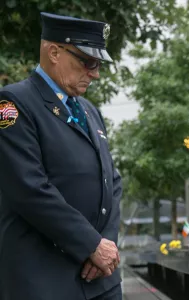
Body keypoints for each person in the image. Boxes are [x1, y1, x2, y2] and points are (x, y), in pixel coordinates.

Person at [0, 12, 123, 300]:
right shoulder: (13, 104)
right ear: (54, 52)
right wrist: (91, 244)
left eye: (98, 64)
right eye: (88, 61)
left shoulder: (90, 112)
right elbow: (29, 189)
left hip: (100, 280)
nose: (95, 73)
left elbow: (112, 182)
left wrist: (106, 245)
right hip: (45, 280)